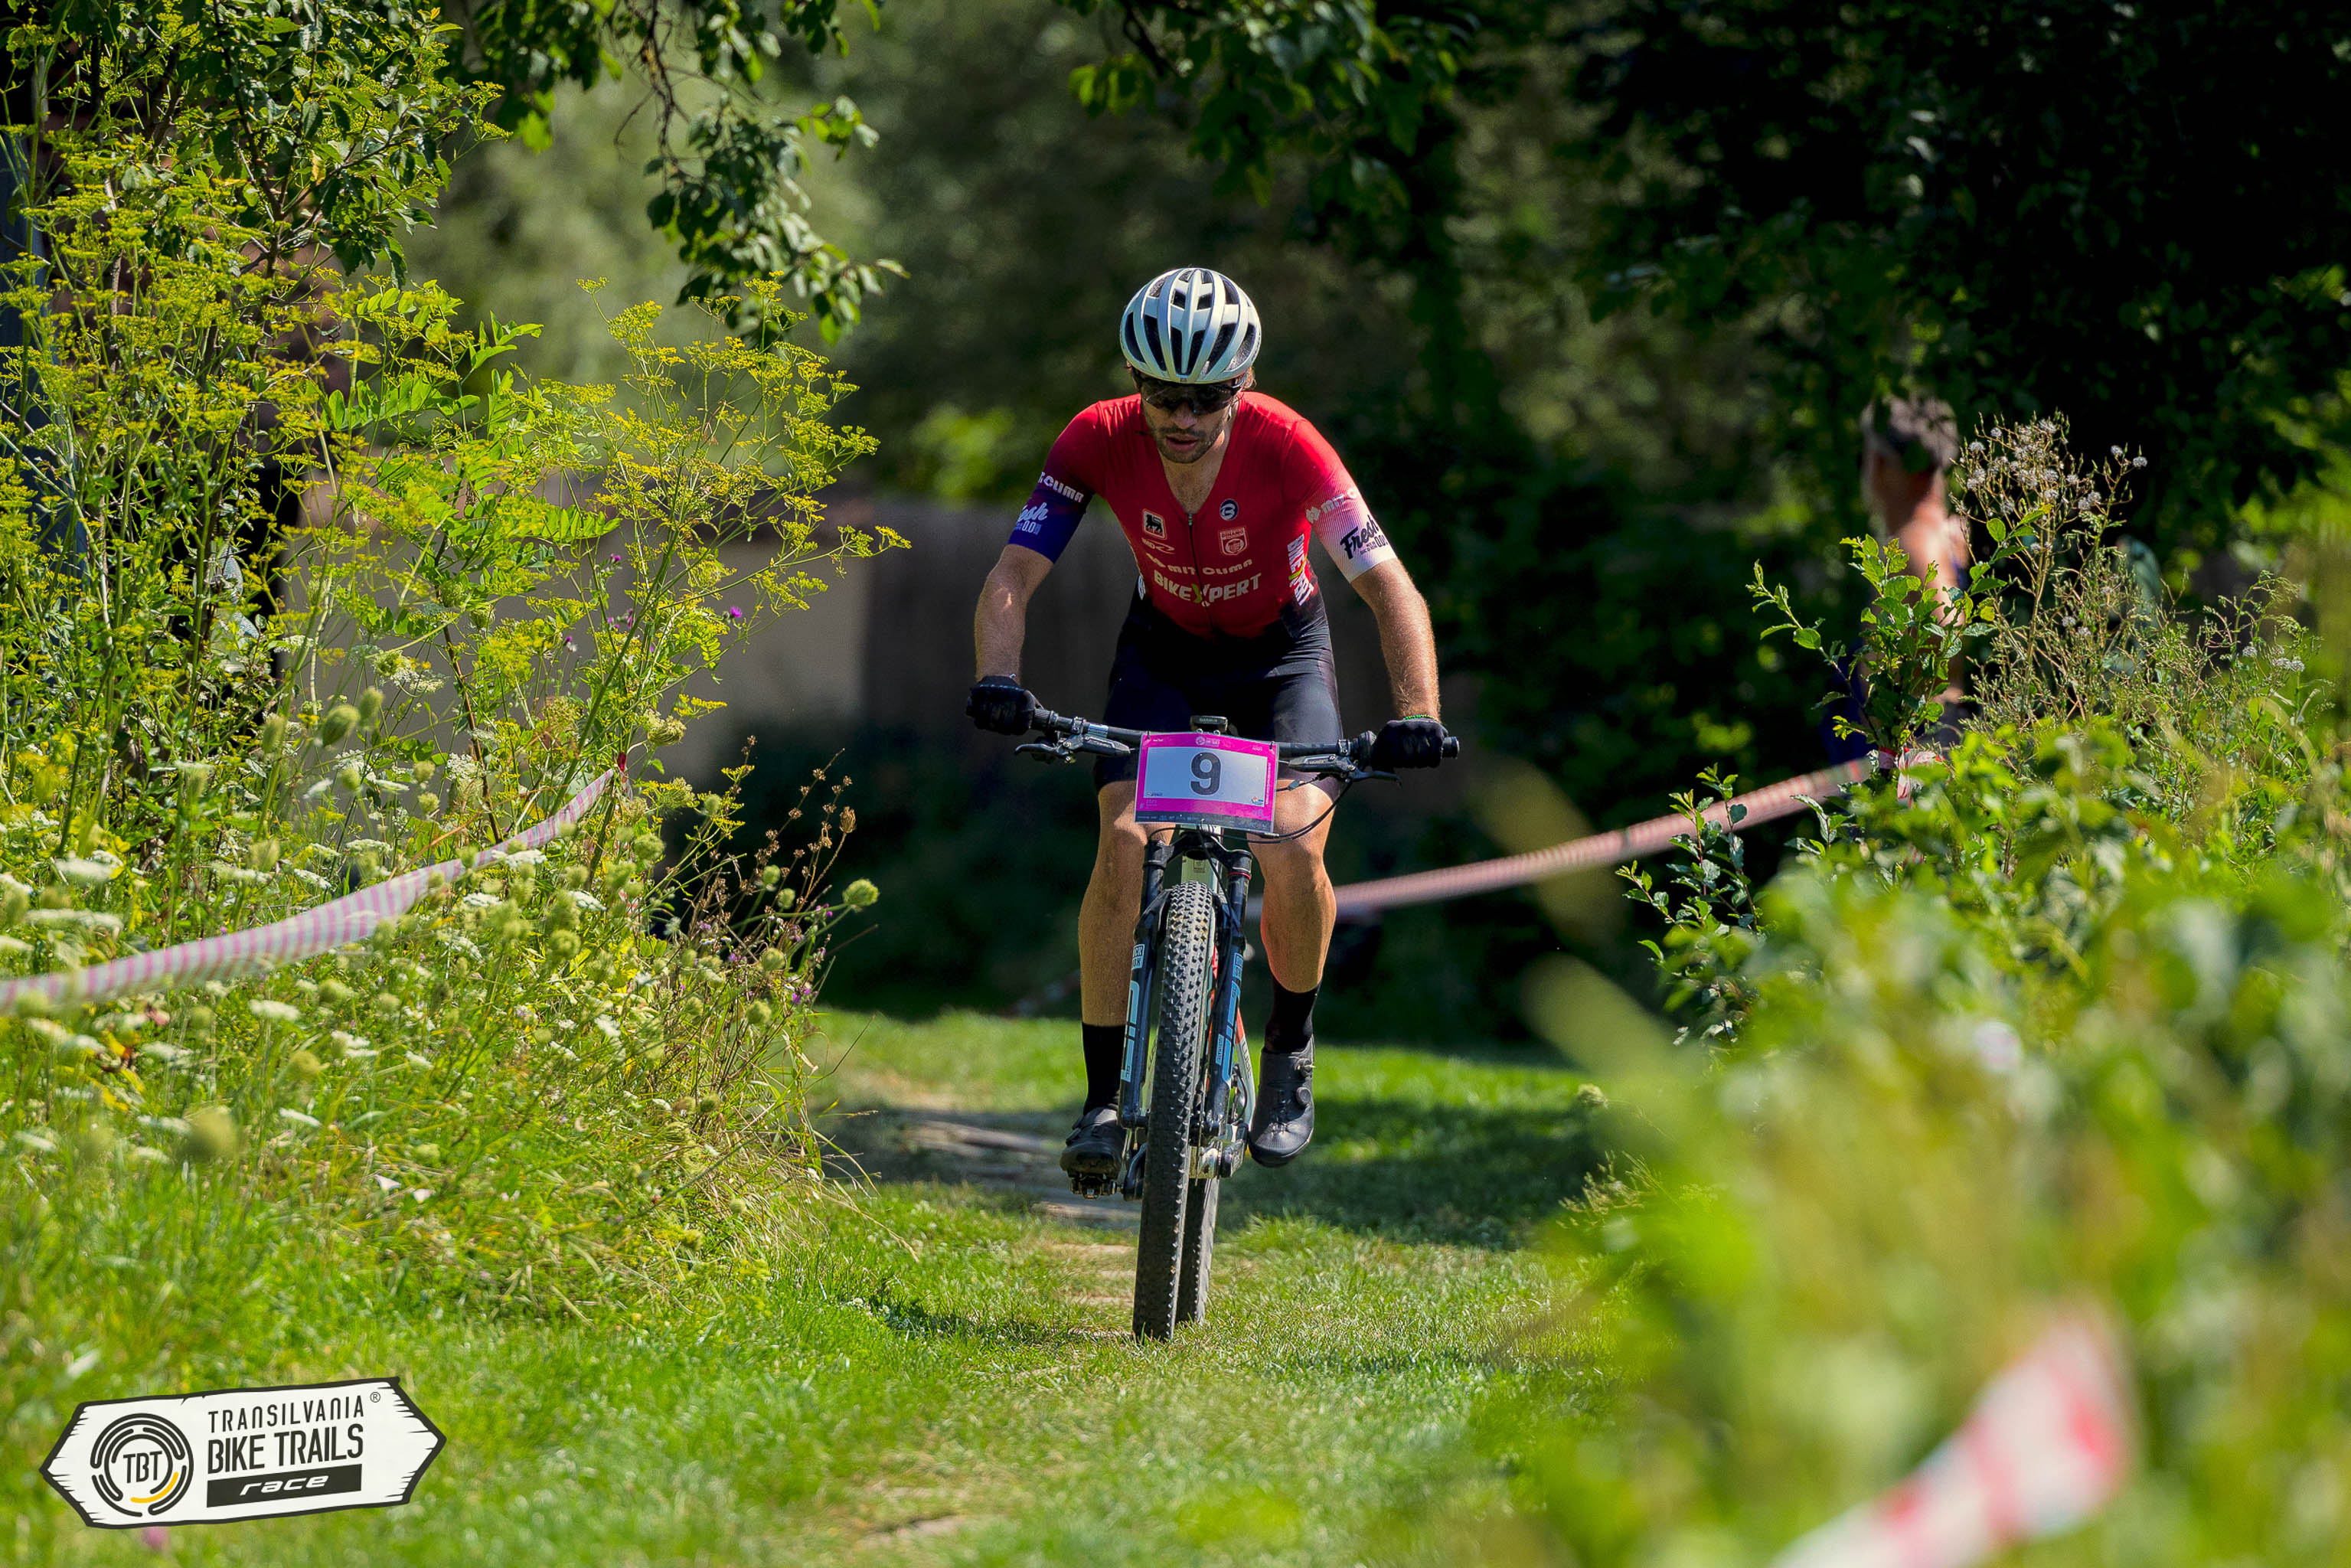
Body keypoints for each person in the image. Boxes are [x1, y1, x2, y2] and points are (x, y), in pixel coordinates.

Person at [966, 266, 1449, 1178]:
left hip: (1281, 656)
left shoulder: (1290, 445)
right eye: (1162, 395)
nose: (1182, 417)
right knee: (1122, 840)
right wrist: (997, 675)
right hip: (1162, 651)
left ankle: (1290, 1048)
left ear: (1242, 384)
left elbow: (1389, 586)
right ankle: (1101, 1098)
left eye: (1206, 397)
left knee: (1290, 845)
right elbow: (1012, 572)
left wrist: (1416, 711)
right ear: (1135, 383)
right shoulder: (1094, 437)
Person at [1822, 396, 1967, 760]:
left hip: (1909, 765)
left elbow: (1946, 628)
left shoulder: (1914, 543)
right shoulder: (1949, 533)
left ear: (1882, 463)